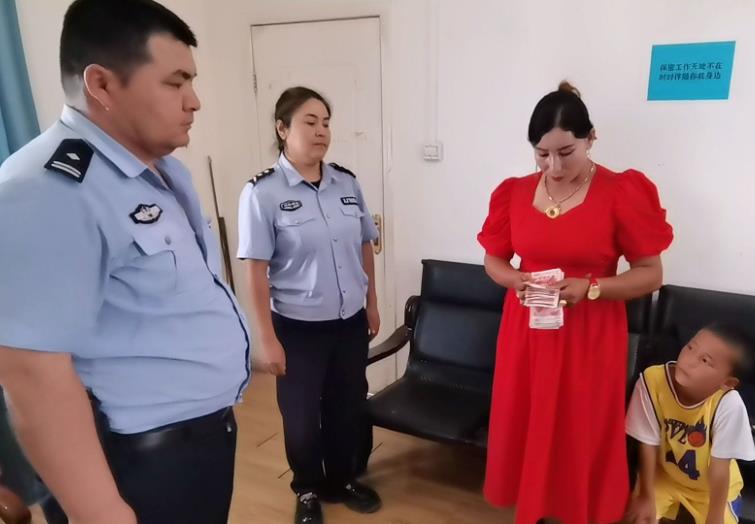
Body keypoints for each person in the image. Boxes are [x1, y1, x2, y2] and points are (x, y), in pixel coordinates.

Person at [0, 1, 251, 523]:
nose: (195, 101)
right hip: (137, 465)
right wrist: (100, 512)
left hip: (198, 442)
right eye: (175, 83)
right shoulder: (47, 190)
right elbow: (30, 371)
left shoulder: (159, 172)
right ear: (102, 84)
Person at [477, 81, 674, 523]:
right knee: (527, 417)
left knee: (580, 425)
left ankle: (579, 509)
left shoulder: (621, 191)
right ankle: (535, 506)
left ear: (591, 138)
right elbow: (493, 259)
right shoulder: (513, 192)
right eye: (542, 154)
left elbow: (651, 273)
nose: (554, 165)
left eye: (566, 152)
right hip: (527, 329)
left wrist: (592, 287)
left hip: (591, 333)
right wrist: (515, 279)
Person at [238, 86, 382, 524]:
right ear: (282, 129)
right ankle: (306, 489)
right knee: (301, 419)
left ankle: (342, 479)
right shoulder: (261, 193)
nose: (322, 131)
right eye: (310, 122)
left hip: (349, 323)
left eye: (326, 123)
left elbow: (365, 246)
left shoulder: (346, 183)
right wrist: (266, 339)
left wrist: (372, 304)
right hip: (298, 329)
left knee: (346, 408)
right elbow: (255, 271)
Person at [625, 323, 755, 524]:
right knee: (638, 517)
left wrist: (715, 517)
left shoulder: (728, 403)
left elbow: (720, 470)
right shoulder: (653, 380)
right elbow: (647, 443)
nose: (689, 360)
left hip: (710, 490)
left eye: (704, 360)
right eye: (691, 347)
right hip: (665, 477)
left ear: (727, 383)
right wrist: (645, 495)